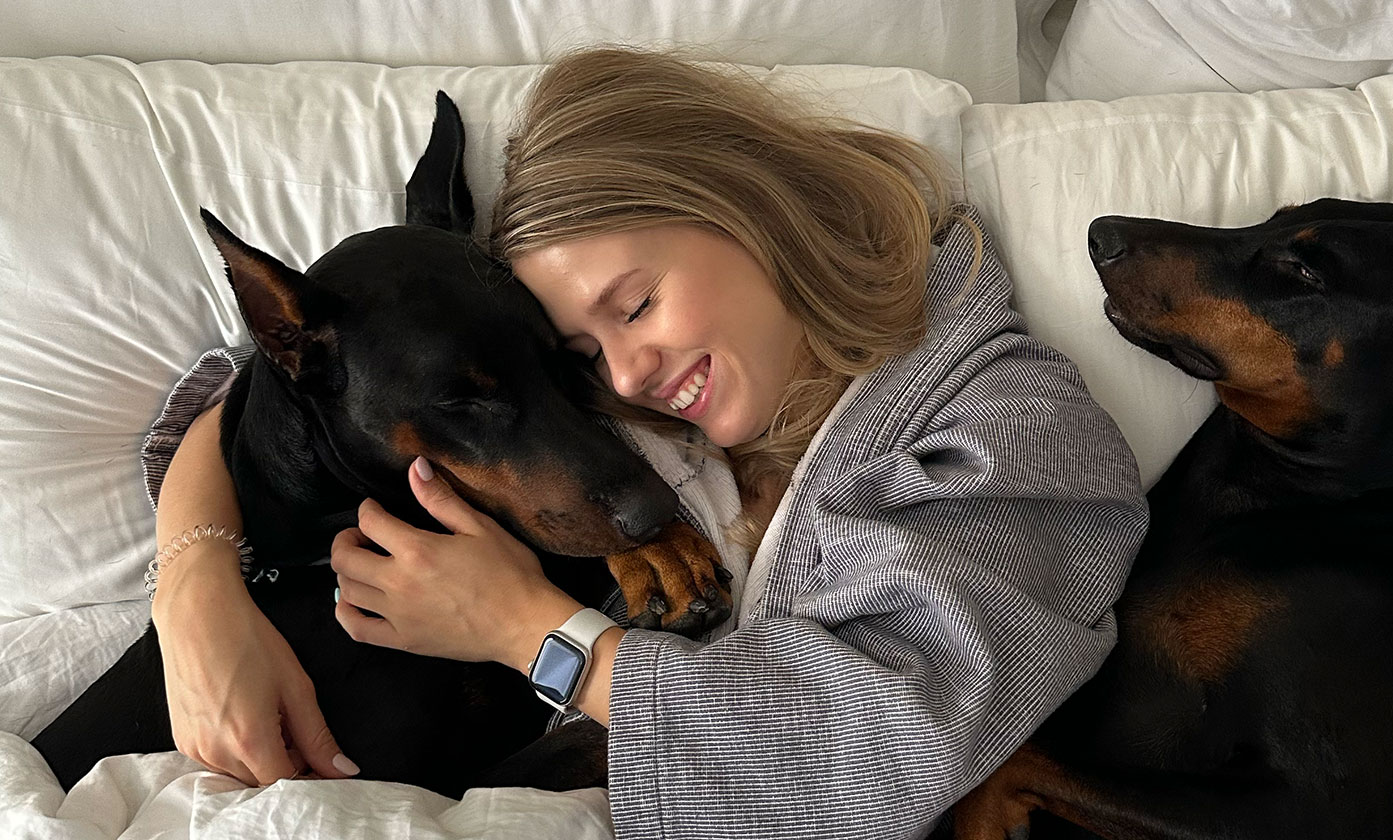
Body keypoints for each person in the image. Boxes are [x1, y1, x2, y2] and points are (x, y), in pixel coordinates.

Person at [142, 48, 1150, 838]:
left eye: (635, 304)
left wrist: (532, 634)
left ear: (741, 203)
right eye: (582, 352)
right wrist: (195, 591)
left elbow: (868, 762)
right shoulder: (639, 408)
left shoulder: (1008, 431)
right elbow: (264, 403)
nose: (622, 377)